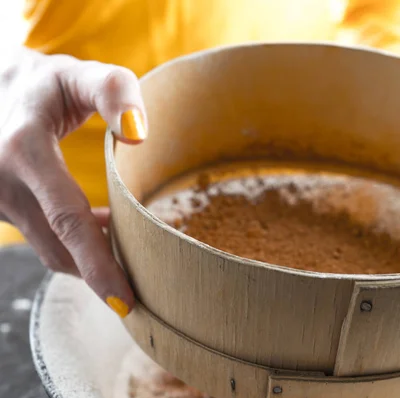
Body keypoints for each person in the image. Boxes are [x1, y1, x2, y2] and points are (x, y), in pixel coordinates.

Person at [0, 0, 397, 317]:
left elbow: (379, 10)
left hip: (318, 197)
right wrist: (8, 73)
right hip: (71, 224)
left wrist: (374, 83)